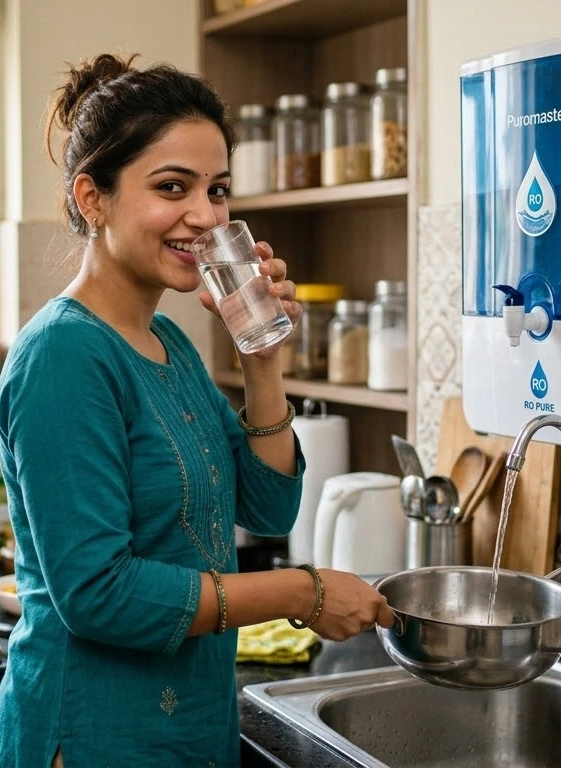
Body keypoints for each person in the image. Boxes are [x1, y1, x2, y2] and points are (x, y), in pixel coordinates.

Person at [0, 53, 394, 768]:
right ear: (93, 198)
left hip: (189, 727)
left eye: (217, 189)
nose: (206, 216)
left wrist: (260, 354)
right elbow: (97, 593)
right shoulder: (61, 356)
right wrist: (299, 592)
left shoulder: (171, 342)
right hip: (92, 736)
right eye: (172, 187)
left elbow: (268, 510)